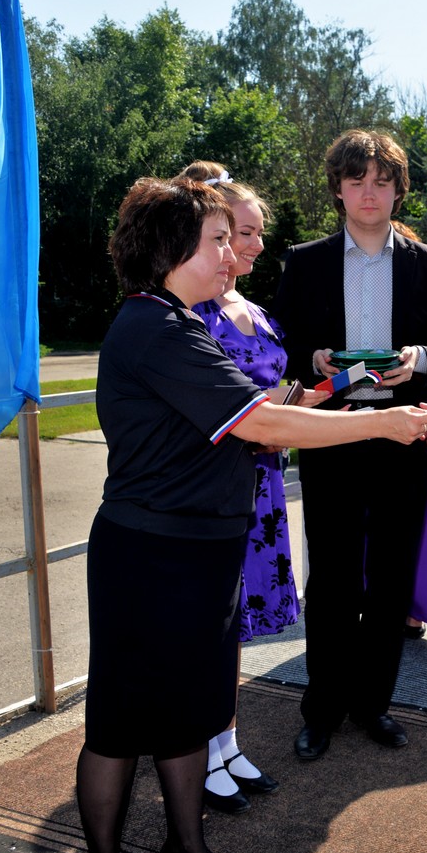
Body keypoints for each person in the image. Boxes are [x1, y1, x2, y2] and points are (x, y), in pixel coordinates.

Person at [78, 176, 427, 853]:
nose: (232, 255)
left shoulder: (180, 323)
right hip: (150, 558)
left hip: (200, 551)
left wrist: (330, 396)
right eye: (217, 241)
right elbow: (263, 424)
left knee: (190, 713)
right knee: (120, 726)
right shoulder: (154, 328)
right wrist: (385, 422)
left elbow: (261, 412)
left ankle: (187, 852)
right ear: (171, 247)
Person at [272, 129, 427, 759]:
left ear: (399, 191)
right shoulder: (305, 261)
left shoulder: (426, 263)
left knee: (390, 581)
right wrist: (314, 359)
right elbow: (281, 351)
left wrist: (419, 359)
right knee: (331, 581)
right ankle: (322, 709)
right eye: (357, 181)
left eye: (382, 182)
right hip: (330, 437)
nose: (369, 193)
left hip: (401, 438)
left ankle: (373, 705)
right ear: (338, 188)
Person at [176, 161, 301, 814]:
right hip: (217, 486)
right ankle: (198, 748)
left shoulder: (254, 311)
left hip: (264, 487)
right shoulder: (189, 313)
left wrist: (310, 396)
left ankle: (224, 742)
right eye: (239, 233)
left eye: (255, 233)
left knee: (232, 630)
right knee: (208, 627)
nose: (251, 245)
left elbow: (273, 394)